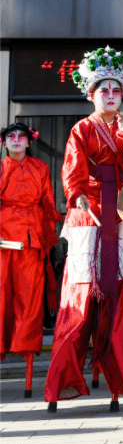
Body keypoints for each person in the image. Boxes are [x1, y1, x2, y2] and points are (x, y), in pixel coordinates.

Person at [45, 47, 123, 412]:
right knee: (78, 304)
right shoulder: (82, 128)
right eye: (103, 91)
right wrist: (76, 195)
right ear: (91, 94)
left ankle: (117, 383)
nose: (110, 97)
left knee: (121, 300)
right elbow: (72, 171)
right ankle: (61, 382)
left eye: (116, 90)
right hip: (89, 216)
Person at [1, 123, 62, 398]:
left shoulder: (40, 168)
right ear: (4, 143)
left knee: (30, 299)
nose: (16, 141)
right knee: (2, 299)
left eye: (21, 137)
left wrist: (52, 235)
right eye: (10, 137)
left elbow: (48, 202)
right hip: (3, 239)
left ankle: (28, 375)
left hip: (31, 239)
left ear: (28, 142)